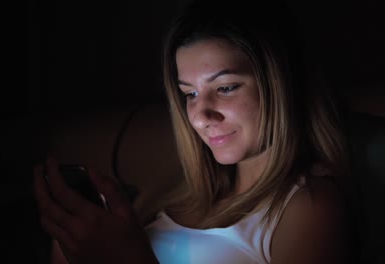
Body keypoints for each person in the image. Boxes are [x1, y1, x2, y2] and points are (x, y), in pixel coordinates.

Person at [33, 0, 352, 263]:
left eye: (225, 87)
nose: (200, 117)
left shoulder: (308, 206)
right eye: (190, 94)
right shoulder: (173, 192)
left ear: (282, 85)